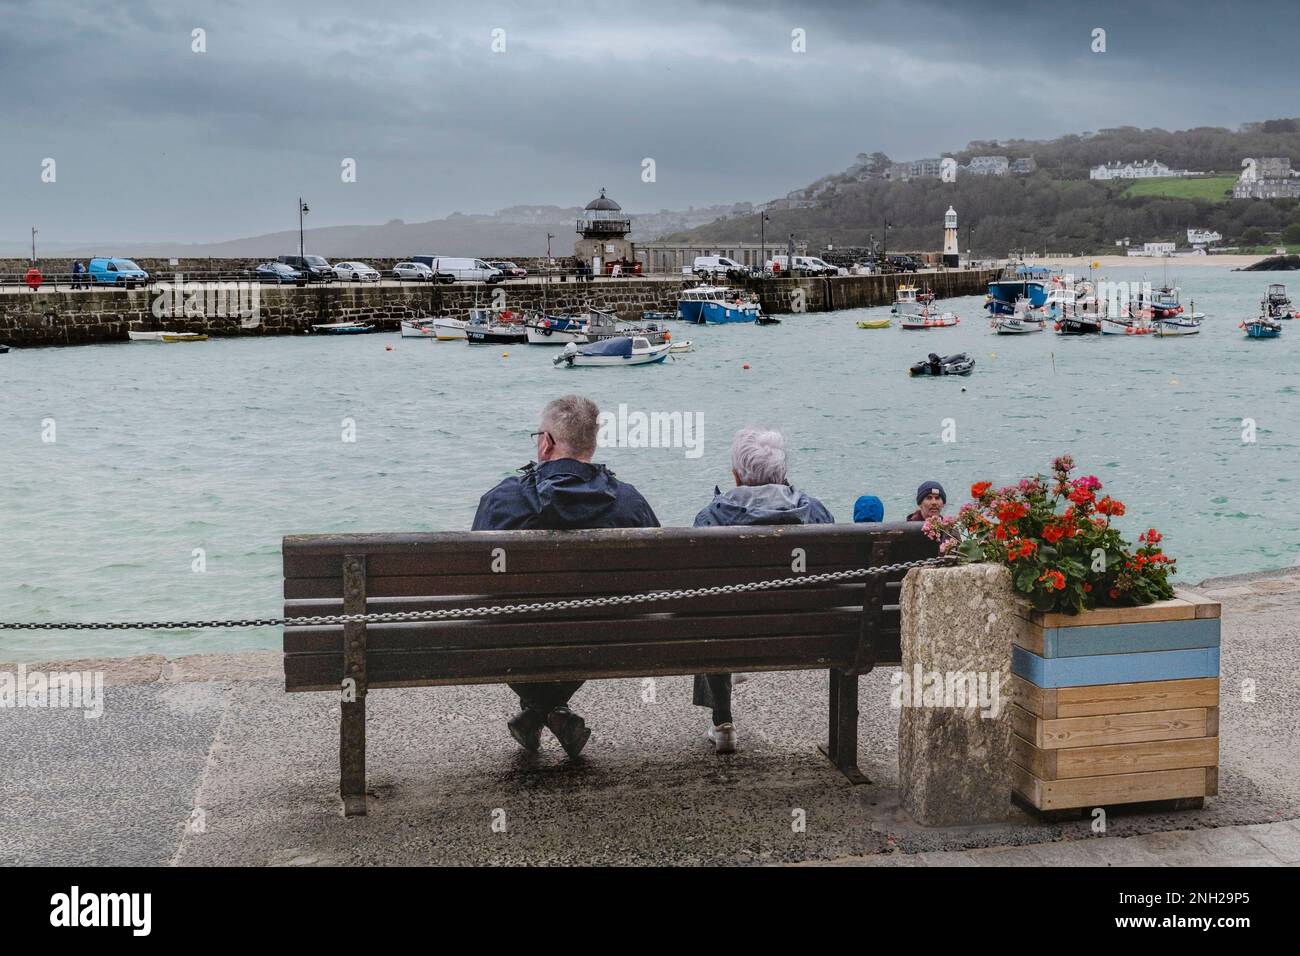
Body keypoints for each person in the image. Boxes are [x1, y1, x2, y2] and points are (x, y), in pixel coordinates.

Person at [472, 395, 659, 759]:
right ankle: (553, 710)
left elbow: (479, 583)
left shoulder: (500, 500)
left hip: (511, 638)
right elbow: (657, 577)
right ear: (591, 443)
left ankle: (538, 711)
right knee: (597, 621)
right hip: (602, 638)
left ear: (546, 443)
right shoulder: (630, 503)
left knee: (505, 620)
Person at [692, 426, 833, 754]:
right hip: (810, 633)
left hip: (728, 634)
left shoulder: (712, 518)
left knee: (710, 615)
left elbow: (696, 594)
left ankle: (722, 721)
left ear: (736, 477)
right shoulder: (816, 512)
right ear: (783, 473)